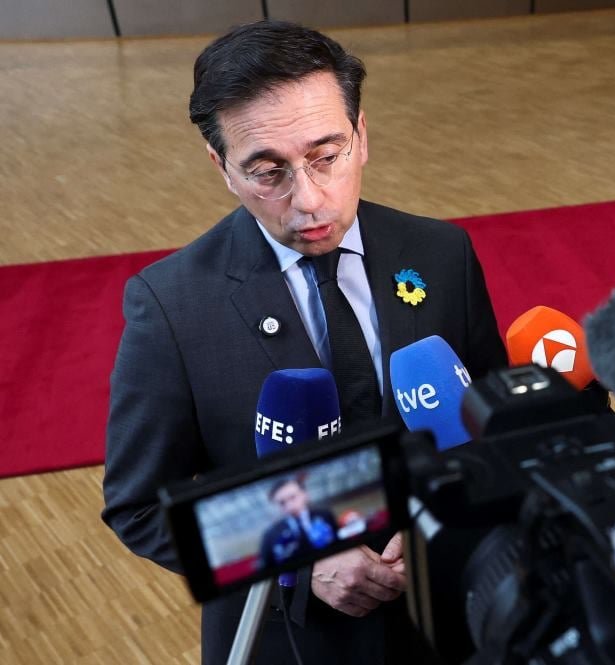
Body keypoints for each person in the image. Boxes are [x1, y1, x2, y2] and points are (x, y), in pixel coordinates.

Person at [101, 20, 508, 665]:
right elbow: (140, 508)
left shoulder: (441, 253)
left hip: (453, 621)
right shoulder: (172, 306)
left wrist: (442, 519)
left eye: (327, 156)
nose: (309, 199)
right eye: (268, 172)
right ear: (223, 168)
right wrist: (299, 553)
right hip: (287, 637)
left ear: (362, 136)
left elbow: (491, 428)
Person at [259, 477, 337, 569]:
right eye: (282, 503)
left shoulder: (325, 515)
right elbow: (265, 568)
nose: (290, 506)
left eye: (293, 497)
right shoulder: (270, 536)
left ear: (304, 495)